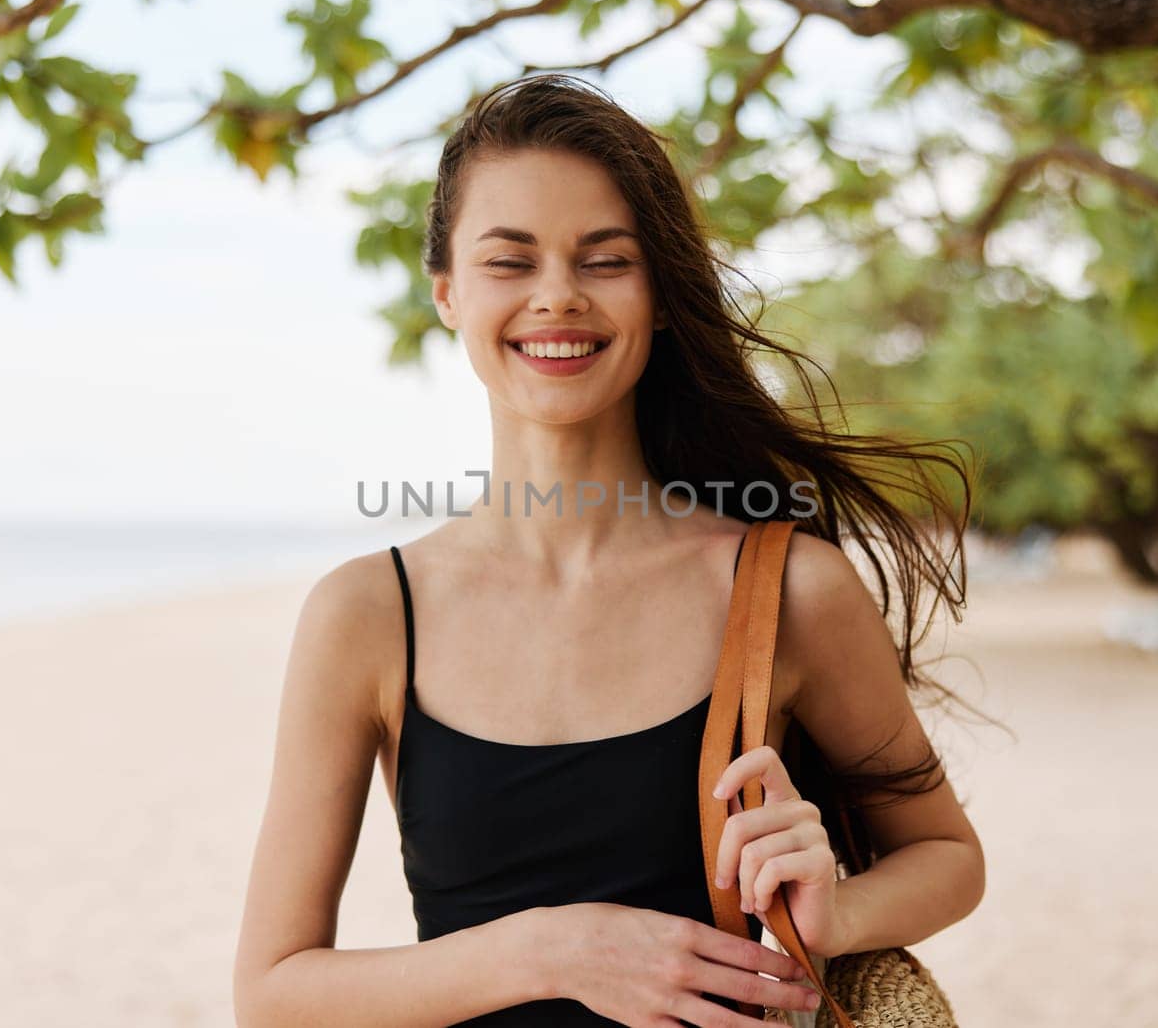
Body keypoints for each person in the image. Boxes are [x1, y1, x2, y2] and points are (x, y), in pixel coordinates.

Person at [232, 74, 987, 1027]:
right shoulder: (369, 612)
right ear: (448, 294)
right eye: (511, 261)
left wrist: (835, 910)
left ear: (661, 297)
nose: (558, 297)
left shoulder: (786, 586)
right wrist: (551, 948)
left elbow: (949, 858)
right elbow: (272, 991)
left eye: (604, 259)